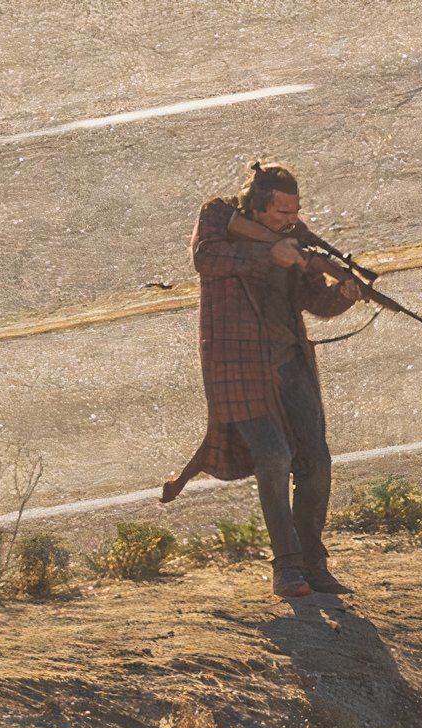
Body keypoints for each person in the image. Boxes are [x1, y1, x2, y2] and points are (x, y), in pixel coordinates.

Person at [163, 161, 363, 598]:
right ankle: (286, 569)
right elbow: (206, 258)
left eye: (295, 213)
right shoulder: (217, 217)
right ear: (255, 207)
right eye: (280, 214)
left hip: (289, 359)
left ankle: (314, 564)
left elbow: (316, 302)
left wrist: (345, 294)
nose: (290, 222)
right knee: (273, 458)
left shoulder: (294, 242)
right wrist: (267, 253)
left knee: (317, 461)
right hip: (237, 365)